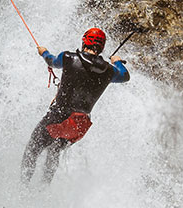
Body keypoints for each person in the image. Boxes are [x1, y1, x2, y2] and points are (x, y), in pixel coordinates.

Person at [21, 27, 130, 183]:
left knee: (33, 149)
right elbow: (125, 75)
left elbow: (51, 61)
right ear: (102, 47)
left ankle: (23, 187)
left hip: (58, 118)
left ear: (84, 40)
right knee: (54, 151)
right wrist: (117, 61)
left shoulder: (68, 58)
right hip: (78, 126)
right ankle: (42, 189)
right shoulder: (109, 71)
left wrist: (44, 52)